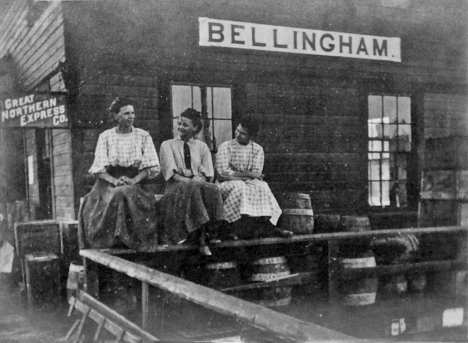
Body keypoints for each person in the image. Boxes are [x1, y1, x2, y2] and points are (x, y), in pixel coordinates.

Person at [79, 97, 160, 251]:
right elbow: (99, 169)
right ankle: (108, 240)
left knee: (126, 193)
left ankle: (131, 240)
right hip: (107, 182)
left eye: (132, 113)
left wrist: (133, 180)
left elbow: (150, 165)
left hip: (135, 181)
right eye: (126, 113)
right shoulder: (106, 136)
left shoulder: (142, 136)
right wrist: (114, 181)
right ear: (116, 116)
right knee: (101, 200)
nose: (131, 117)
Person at [158, 108, 225, 255]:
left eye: (185, 125)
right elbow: (171, 175)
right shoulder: (167, 145)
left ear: (195, 128)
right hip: (175, 189)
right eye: (179, 123)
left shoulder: (202, 147)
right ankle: (201, 239)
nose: (180, 127)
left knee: (214, 188)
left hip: (197, 186)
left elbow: (208, 173)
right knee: (194, 186)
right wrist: (192, 181)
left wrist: (199, 179)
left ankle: (213, 231)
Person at [216, 116, 291, 239]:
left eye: (243, 133)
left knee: (262, 186)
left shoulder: (257, 149)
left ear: (251, 136)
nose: (238, 135)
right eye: (237, 130)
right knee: (240, 186)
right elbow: (223, 174)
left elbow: (257, 175)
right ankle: (230, 226)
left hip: (246, 183)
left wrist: (240, 174)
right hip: (226, 185)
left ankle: (266, 226)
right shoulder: (226, 147)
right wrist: (249, 174)